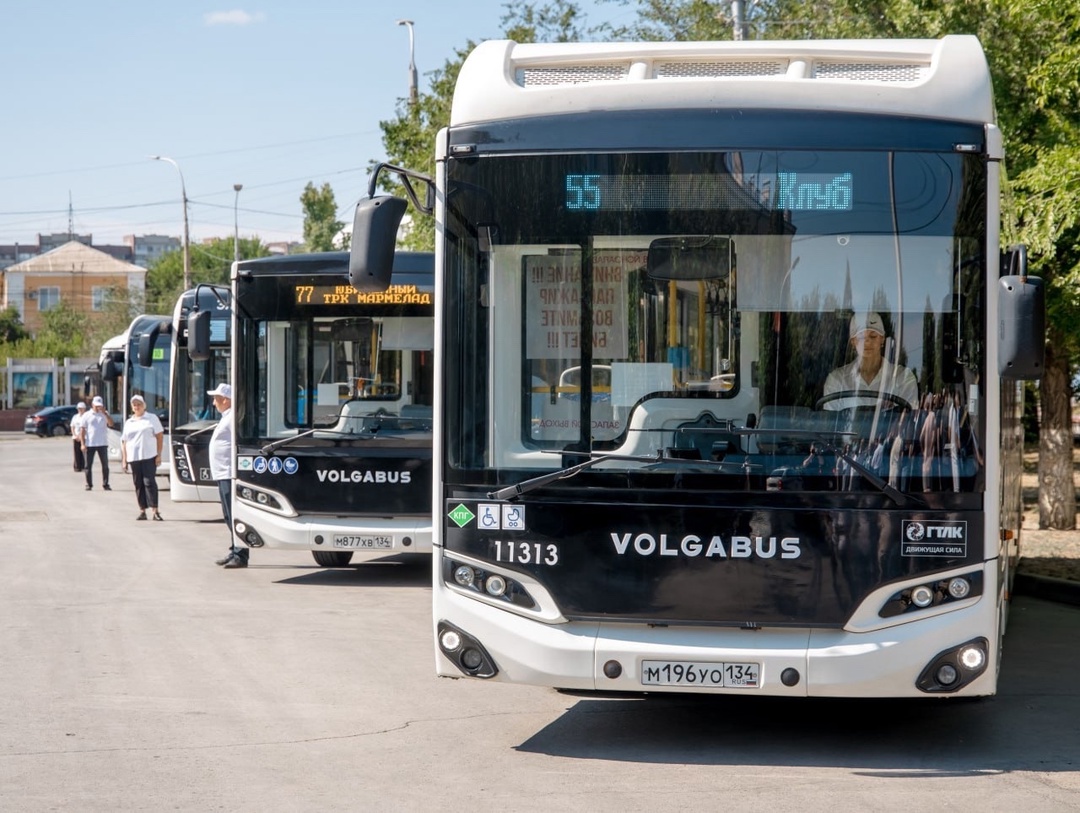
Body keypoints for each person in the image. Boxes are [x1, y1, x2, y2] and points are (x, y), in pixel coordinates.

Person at [822, 311, 919, 411]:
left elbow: (907, 421)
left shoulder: (903, 378)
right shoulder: (836, 380)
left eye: (873, 336)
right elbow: (831, 423)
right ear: (853, 342)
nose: (867, 341)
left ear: (882, 339)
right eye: (861, 337)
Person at [206, 383, 245, 568]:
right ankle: (234, 549)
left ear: (225, 399)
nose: (214, 403)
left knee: (233, 515)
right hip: (222, 472)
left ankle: (240, 554)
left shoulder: (232, 418)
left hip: (229, 473)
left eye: (216, 399)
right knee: (227, 515)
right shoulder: (225, 417)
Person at [120, 393, 164, 521]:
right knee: (138, 483)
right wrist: (124, 460)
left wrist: (159, 454)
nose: (136, 407)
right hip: (134, 457)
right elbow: (124, 442)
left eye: (139, 404)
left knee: (149, 482)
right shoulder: (129, 422)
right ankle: (142, 510)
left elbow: (159, 436)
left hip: (149, 456)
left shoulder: (151, 418)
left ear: (144, 405)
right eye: (134, 405)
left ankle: (155, 510)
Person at [81, 395, 115, 491]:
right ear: (92, 405)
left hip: (102, 443)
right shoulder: (87, 415)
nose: (98, 408)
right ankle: (89, 484)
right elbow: (82, 430)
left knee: (105, 465)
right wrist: (83, 444)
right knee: (88, 465)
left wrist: (106, 414)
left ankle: (106, 484)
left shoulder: (104, 414)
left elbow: (111, 424)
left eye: (100, 406)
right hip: (90, 443)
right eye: (96, 406)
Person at [70, 402, 87, 472]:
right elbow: (72, 426)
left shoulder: (86, 417)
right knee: (76, 452)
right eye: (78, 409)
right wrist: (74, 435)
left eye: (81, 408)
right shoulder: (75, 417)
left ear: (84, 409)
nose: (79, 410)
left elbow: (85, 428)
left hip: (84, 437)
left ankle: (83, 466)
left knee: (83, 452)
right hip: (75, 437)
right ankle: (77, 467)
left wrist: (80, 436)